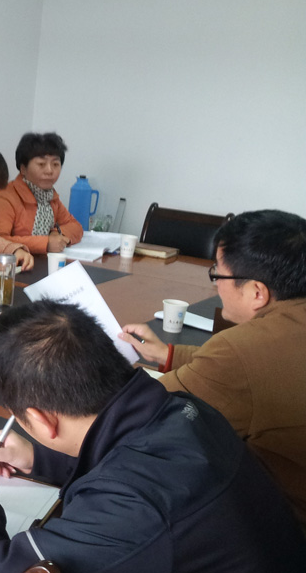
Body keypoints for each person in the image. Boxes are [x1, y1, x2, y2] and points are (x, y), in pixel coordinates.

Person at [0, 300, 306, 573]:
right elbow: (134, 465)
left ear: (40, 419)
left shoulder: (134, 504)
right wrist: (39, 459)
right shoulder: (183, 410)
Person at [120, 209, 306, 528]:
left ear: (257, 292)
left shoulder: (243, 349)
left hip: (283, 529)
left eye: (218, 275)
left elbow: (147, 412)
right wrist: (168, 354)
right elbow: (244, 369)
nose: (216, 286)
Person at [0, 132, 82, 254]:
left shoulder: (50, 196)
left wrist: (56, 233)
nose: (49, 171)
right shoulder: (6, 198)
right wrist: (45, 244)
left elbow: (75, 226)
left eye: (55, 164)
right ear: (23, 169)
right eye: (41, 164)